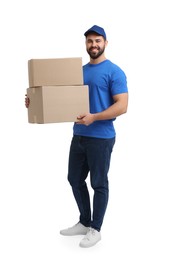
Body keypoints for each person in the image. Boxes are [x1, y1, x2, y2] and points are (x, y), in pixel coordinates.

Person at [25, 25, 128, 248]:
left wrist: (95, 117)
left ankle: (95, 229)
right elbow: (59, 96)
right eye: (90, 41)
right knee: (74, 179)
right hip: (79, 135)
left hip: (101, 137)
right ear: (85, 44)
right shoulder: (78, 71)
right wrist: (34, 101)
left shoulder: (114, 71)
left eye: (98, 41)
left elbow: (122, 106)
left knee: (98, 183)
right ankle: (84, 221)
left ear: (106, 43)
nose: (94, 45)